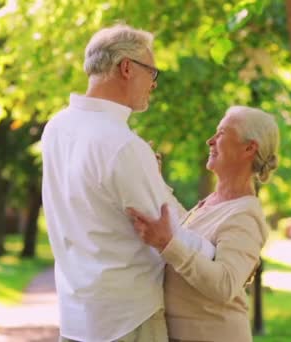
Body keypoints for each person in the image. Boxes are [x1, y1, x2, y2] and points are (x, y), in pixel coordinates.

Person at [41, 24, 215, 342]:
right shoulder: (122, 145)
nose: (153, 84)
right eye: (152, 73)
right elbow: (168, 227)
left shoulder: (56, 127)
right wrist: (221, 256)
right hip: (127, 320)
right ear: (126, 68)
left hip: (76, 317)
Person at [127, 106, 280, 342]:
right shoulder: (216, 202)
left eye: (221, 134)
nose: (210, 140)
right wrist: (157, 184)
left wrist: (167, 245)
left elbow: (225, 284)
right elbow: (184, 231)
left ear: (249, 148)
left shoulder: (245, 215)